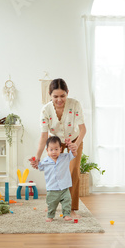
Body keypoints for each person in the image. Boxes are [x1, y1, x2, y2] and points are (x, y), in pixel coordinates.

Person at [30, 78, 86, 218]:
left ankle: (71, 208)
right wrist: (37, 157)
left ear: (67, 93)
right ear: (50, 95)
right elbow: (43, 137)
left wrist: (76, 144)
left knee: (73, 171)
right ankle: (53, 204)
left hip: (74, 139)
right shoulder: (46, 110)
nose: (59, 99)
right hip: (55, 142)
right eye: (55, 96)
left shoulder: (75, 104)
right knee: (52, 170)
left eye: (62, 96)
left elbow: (83, 129)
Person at [37, 136, 77, 222]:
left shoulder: (65, 157)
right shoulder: (45, 161)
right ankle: (50, 215)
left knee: (67, 201)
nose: (54, 152)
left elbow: (74, 154)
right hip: (52, 188)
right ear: (47, 150)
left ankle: (66, 214)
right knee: (51, 204)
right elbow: (39, 167)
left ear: (60, 149)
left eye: (56, 149)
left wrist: (70, 146)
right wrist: (35, 162)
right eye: (51, 150)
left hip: (64, 187)